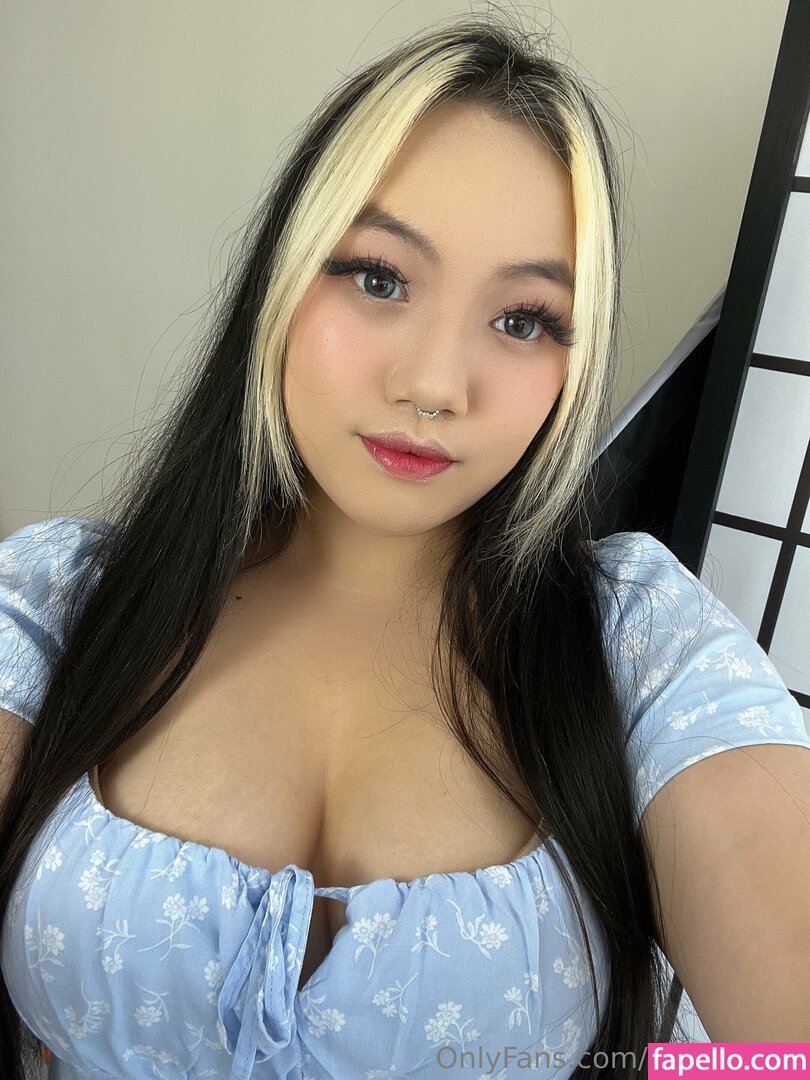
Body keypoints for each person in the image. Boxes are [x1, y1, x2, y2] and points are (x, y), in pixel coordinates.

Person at [1, 13, 809, 1080]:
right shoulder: (59, 603)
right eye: (379, 278)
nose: (434, 385)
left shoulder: (639, 646)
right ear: (284, 277)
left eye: (523, 320)